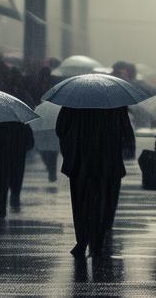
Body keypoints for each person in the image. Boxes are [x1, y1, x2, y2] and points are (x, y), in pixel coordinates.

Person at [57, 107, 134, 258]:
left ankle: (82, 241)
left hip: (79, 160)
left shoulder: (73, 103)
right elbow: (126, 132)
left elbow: (60, 129)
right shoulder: (115, 105)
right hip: (107, 160)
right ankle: (97, 241)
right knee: (102, 202)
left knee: (80, 202)